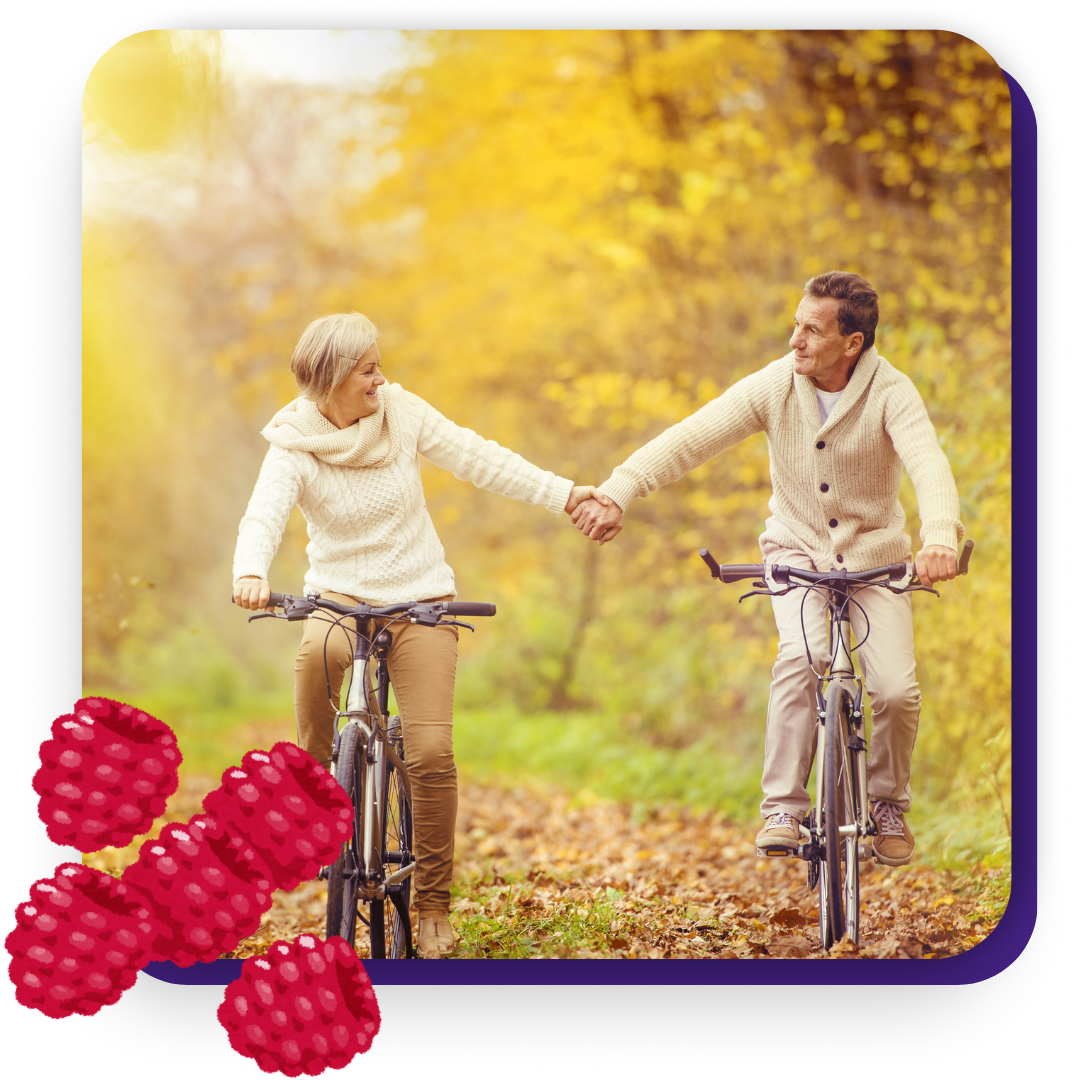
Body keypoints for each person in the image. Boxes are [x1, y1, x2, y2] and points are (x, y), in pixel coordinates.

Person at [233, 311, 611, 958]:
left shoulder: (400, 413)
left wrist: (565, 493)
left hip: (420, 598)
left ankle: (432, 901)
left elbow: (478, 457)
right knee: (316, 658)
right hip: (340, 594)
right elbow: (264, 513)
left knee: (431, 753)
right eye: (368, 370)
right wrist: (250, 570)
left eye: (379, 366)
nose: (382, 379)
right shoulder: (293, 442)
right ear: (329, 381)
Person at [570, 271, 963, 866]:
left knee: (895, 690)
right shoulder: (776, 386)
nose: (794, 340)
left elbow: (928, 465)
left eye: (811, 330)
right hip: (796, 554)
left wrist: (938, 537)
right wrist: (619, 490)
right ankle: (783, 805)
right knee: (804, 657)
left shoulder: (892, 391)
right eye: (795, 325)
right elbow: (691, 437)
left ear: (852, 342)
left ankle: (887, 804)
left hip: (877, 564)